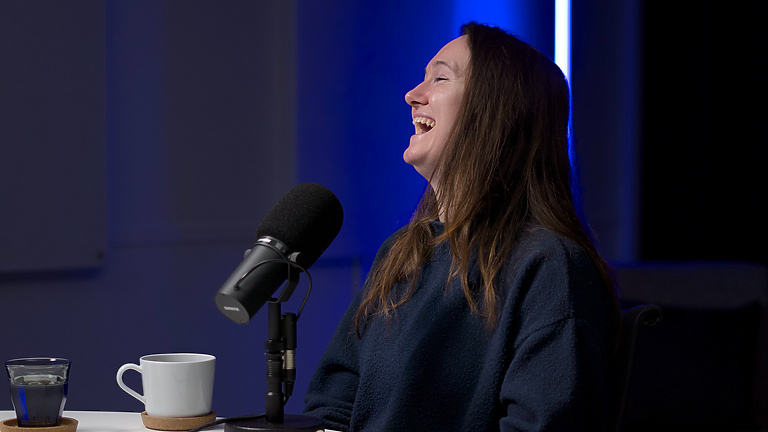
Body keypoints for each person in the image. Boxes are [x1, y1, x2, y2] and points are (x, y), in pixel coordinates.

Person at [303, 22, 620, 432]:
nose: (412, 96)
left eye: (440, 78)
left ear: (495, 112)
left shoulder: (550, 267)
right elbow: (331, 405)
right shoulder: (402, 252)